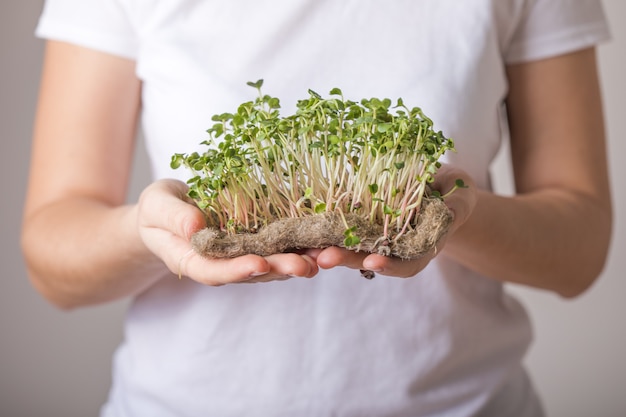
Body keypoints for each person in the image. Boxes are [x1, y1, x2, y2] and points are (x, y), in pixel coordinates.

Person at [21, 1, 613, 416]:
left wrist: (452, 213)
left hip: (465, 406)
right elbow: (52, 258)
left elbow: (579, 249)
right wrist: (149, 230)